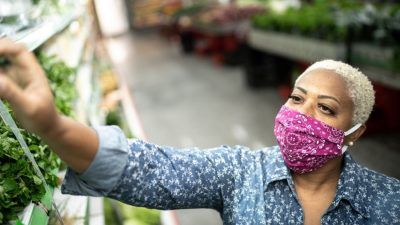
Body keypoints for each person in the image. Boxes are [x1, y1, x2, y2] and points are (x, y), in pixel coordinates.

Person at [0, 38, 399, 225]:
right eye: (297, 98)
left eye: (325, 109)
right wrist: (51, 126)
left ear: (353, 133)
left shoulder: (388, 204)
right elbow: (150, 169)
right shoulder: (240, 172)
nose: (303, 114)